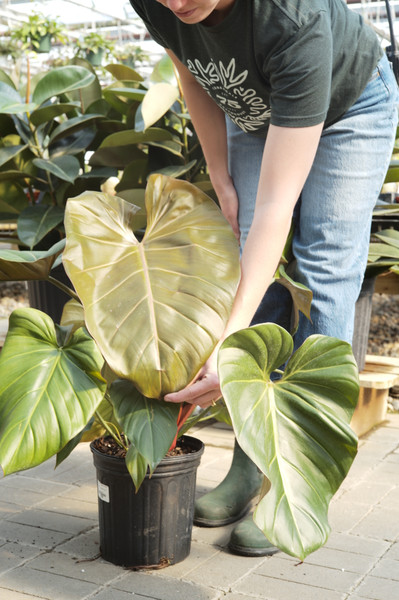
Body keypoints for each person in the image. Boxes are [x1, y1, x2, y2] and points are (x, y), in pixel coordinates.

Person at [129, 0, 399, 556]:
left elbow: (277, 209)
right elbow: (189, 66)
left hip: (351, 108)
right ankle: (250, 465)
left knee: (324, 271)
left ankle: (298, 483)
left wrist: (227, 341)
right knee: (251, 266)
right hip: (257, 111)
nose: (177, 2)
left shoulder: (292, 20)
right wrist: (220, 173)